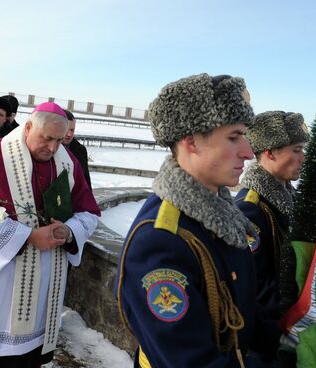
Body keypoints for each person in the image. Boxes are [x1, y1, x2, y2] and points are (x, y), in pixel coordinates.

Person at [115, 73, 280, 367]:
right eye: (234, 137)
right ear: (191, 141)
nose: (247, 151)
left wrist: (286, 340)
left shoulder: (221, 216)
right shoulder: (160, 240)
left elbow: (240, 304)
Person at [0, 102, 100, 367]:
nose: (52, 148)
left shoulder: (67, 162)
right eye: (47, 138)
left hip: (42, 294)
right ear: (28, 127)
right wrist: (28, 237)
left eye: (59, 140)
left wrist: (70, 230)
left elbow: (88, 213)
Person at [235, 111, 308, 321]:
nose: (303, 157)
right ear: (270, 152)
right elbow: (258, 287)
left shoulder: (290, 198)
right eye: (297, 150)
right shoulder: (250, 210)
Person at [62, 110, 91, 190]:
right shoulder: (48, 150)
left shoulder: (81, 150)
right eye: (66, 129)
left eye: (72, 130)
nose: (69, 134)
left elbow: (86, 180)